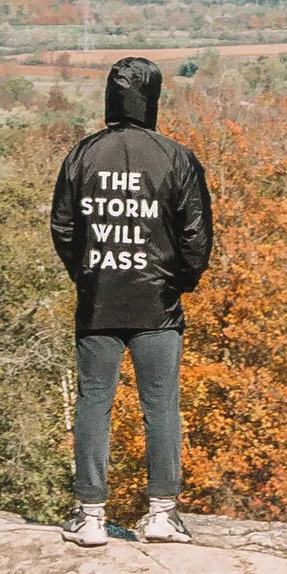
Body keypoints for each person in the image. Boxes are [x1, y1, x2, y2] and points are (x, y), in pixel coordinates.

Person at [49, 54, 214, 546]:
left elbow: (62, 227)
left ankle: (91, 517)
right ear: (154, 99)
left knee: (94, 402)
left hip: (98, 301)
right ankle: (162, 515)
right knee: (162, 405)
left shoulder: (82, 155)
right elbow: (196, 237)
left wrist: (88, 275)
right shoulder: (176, 157)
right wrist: (177, 283)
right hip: (157, 306)